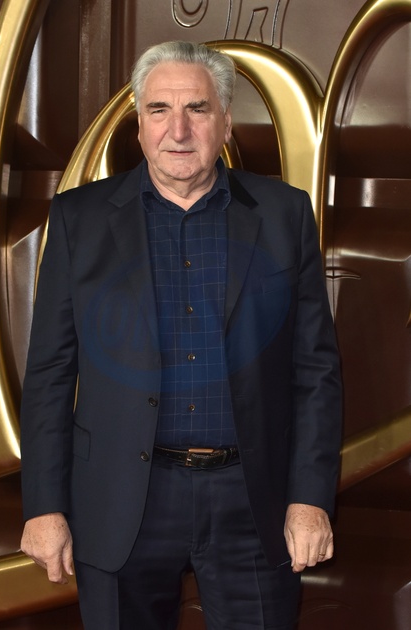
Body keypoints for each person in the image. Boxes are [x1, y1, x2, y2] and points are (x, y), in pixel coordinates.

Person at [20, 40, 342, 630]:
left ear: (225, 121)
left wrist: (311, 498)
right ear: (139, 125)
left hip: (254, 500)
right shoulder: (77, 219)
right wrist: (43, 505)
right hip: (120, 499)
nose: (178, 130)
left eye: (197, 108)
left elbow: (316, 372)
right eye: (159, 110)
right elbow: (48, 374)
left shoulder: (285, 214)